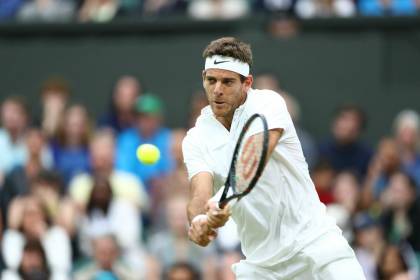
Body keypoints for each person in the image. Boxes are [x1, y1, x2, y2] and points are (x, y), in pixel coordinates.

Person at [182, 37, 365, 279]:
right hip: (261, 267)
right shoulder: (196, 138)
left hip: (316, 246)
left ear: (247, 83)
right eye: (211, 80)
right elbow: (199, 194)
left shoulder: (268, 103)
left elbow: (253, 160)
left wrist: (222, 201)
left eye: (227, 82)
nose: (217, 90)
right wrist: (200, 221)